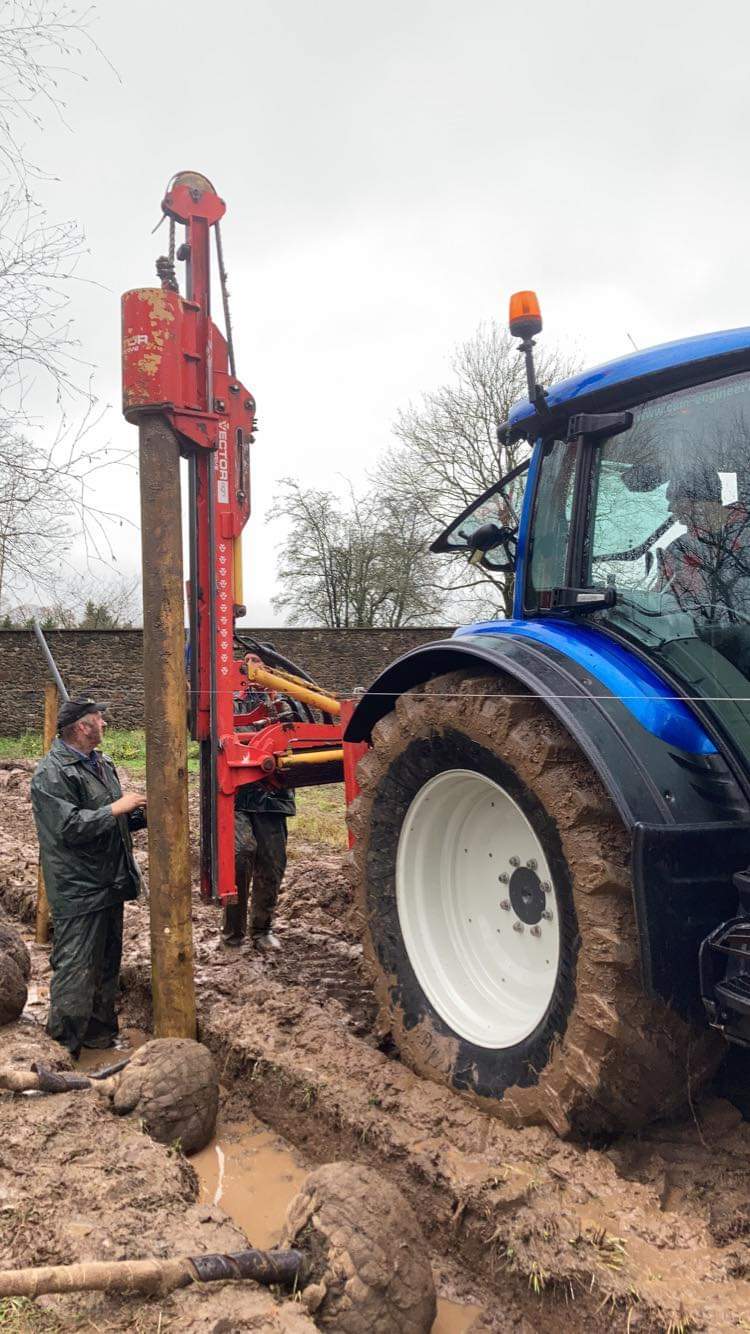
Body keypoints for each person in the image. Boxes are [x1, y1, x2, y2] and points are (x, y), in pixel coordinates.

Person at [30, 697, 147, 1057]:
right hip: (79, 888)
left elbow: (113, 823)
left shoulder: (102, 763)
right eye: (100, 719)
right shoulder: (51, 774)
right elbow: (69, 827)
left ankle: (99, 1035)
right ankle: (62, 1049)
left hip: (109, 881)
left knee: (107, 963)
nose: (105, 724)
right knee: (76, 967)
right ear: (82, 727)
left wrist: (143, 814)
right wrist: (116, 807)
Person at [223, 692, 296, 952]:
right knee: (240, 855)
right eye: (248, 664)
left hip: (273, 796)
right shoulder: (228, 701)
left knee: (272, 862)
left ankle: (262, 929)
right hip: (236, 793)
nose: (253, 671)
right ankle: (233, 935)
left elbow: (296, 734)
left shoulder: (285, 701)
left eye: (258, 664)